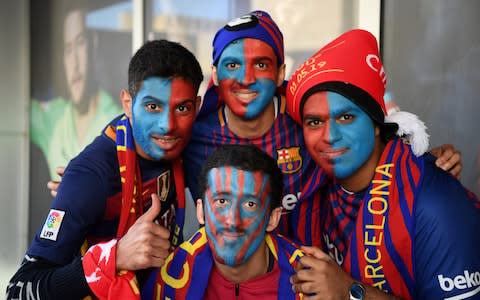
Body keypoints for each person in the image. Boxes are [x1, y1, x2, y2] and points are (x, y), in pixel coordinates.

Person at [183, 10, 462, 239]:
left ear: (281, 72)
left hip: (315, 275)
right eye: (232, 65)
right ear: (216, 75)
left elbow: (368, 142)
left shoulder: (307, 120)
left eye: (261, 65)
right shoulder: (190, 136)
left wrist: (424, 165)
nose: (245, 78)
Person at [285, 29, 480, 299]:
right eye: (315, 122)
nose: (329, 136)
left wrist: (351, 292)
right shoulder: (312, 191)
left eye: (346, 118)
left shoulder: (435, 203)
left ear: (377, 125)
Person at [6, 39, 204, 299]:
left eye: (181, 108)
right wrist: (113, 258)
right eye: (152, 107)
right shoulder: (90, 176)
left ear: (197, 107)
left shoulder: (188, 145)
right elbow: (18, 289)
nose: (167, 124)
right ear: (127, 104)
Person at [139, 144, 304, 299]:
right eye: (222, 202)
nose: (232, 221)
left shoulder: (308, 280)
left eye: (250, 204)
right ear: (201, 211)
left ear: (273, 219)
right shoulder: (169, 276)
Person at [31, 2, 122, 181]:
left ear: (93, 46)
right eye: (67, 49)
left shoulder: (116, 121)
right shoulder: (53, 118)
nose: (74, 63)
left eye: (80, 43)